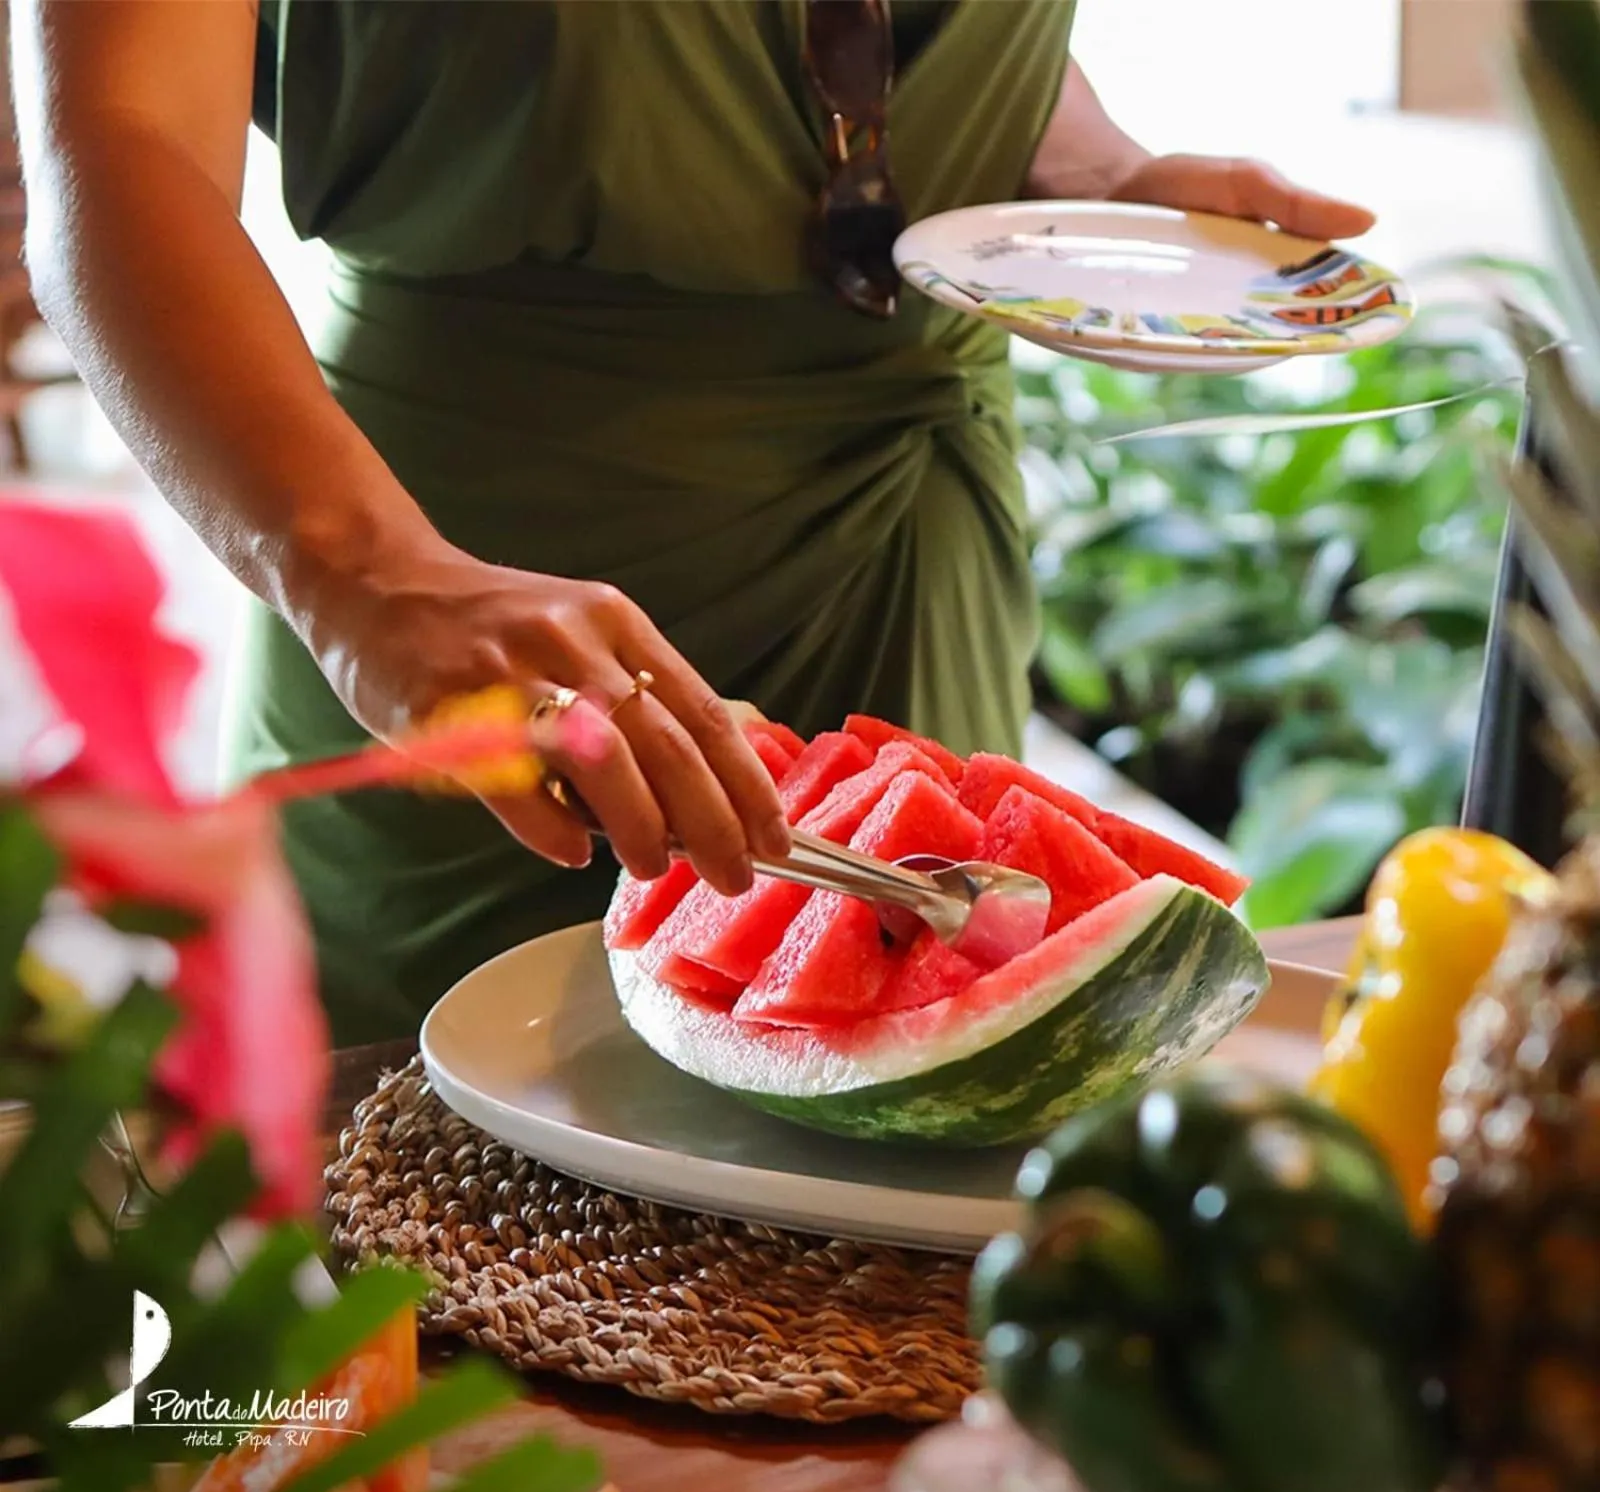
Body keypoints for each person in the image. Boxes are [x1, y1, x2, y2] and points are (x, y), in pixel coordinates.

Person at [15, 1, 1374, 1045]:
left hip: (911, 564)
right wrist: (369, 575)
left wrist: (1094, 172)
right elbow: (124, 145)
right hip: (477, 626)